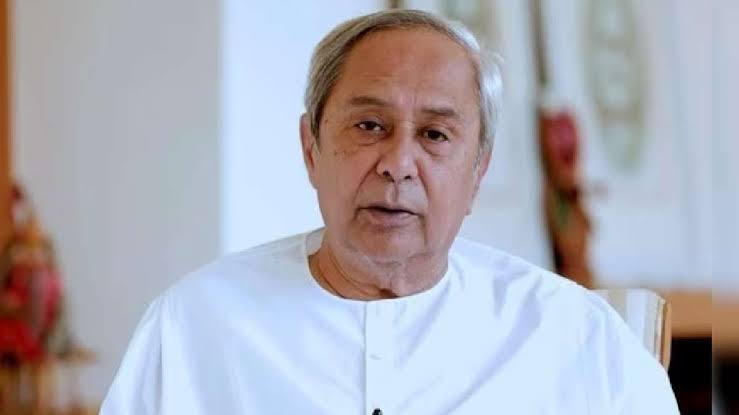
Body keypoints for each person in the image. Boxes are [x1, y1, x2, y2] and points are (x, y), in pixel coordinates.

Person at [101, 9, 678, 414]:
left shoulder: (577, 337)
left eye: (434, 134)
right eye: (370, 125)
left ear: (477, 171)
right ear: (311, 149)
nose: (398, 164)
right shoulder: (192, 326)